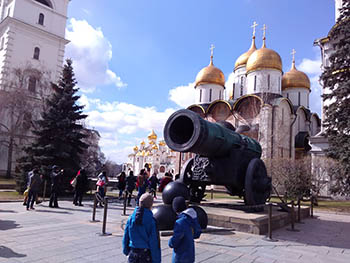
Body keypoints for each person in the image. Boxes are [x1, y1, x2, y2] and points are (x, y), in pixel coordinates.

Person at [122, 193, 161, 263]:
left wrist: (126, 250)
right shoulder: (151, 221)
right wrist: (156, 259)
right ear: (151, 205)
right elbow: (154, 242)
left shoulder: (131, 218)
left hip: (133, 251)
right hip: (145, 254)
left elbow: (126, 236)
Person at [169, 196, 201, 263]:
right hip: (190, 254)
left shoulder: (180, 222)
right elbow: (197, 234)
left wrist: (170, 242)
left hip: (180, 256)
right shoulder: (192, 218)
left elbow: (175, 241)